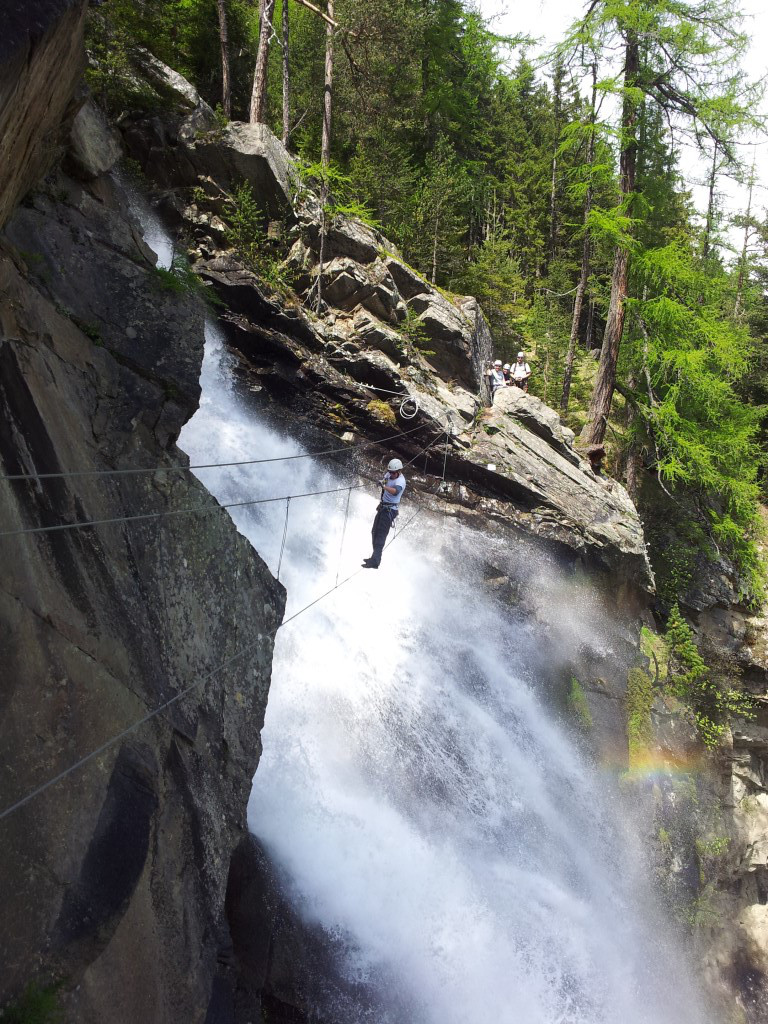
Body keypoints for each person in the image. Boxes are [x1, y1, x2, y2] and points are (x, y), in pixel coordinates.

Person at [363, 458, 407, 569]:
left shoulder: (400, 481)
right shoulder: (389, 474)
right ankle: (374, 558)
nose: (391, 474)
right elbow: (385, 481)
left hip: (389, 511)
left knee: (381, 536)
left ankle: (376, 562)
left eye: (393, 472)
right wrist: (381, 482)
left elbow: (395, 491)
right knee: (374, 532)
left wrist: (384, 487)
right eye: (390, 472)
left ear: (399, 471)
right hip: (383, 507)